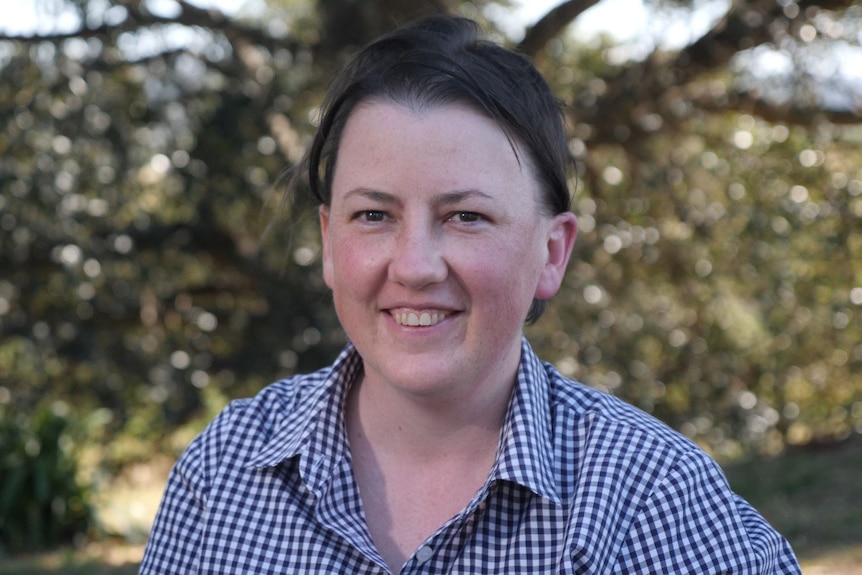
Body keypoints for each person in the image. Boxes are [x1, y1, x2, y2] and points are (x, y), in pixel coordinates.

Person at [140, 14, 801, 574]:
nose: (417, 266)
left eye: (466, 216)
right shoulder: (223, 472)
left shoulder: (653, 501)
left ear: (551, 253)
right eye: (374, 215)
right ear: (328, 241)